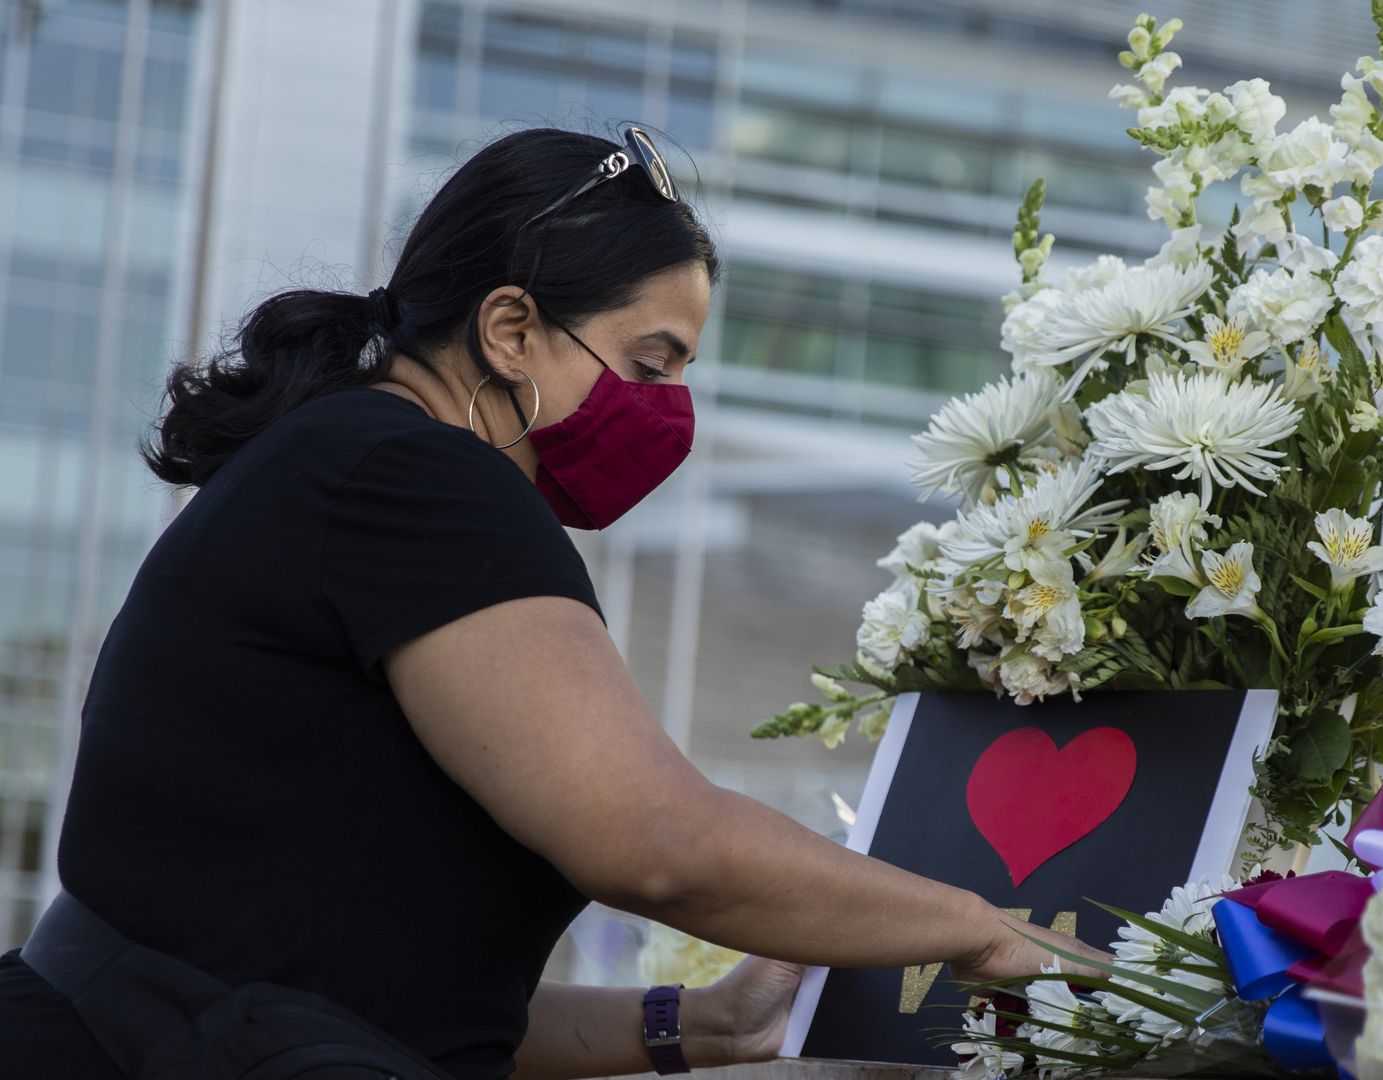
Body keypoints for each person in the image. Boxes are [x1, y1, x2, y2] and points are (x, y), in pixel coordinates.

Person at [0, 125, 1092, 1079]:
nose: (670, 413)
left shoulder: (343, 459)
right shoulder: (419, 478)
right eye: (648, 362)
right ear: (511, 329)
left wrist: (699, 1025)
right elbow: (656, 841)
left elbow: (393, 1007)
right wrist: (977, 930)